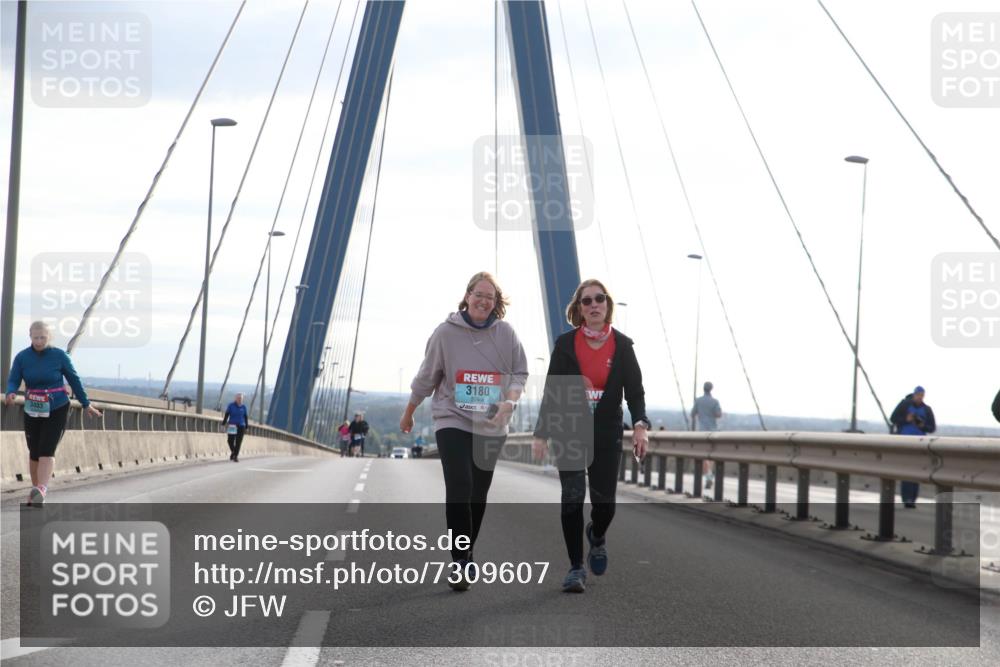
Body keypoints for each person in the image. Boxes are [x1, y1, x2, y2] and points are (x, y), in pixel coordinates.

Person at [400, 271, 527, 591]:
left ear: (497, 304)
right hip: (452, 418)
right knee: (460, 483)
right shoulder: (446, 333)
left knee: (477, 493)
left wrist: (510, 403)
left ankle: (466, 548)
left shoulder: (506, 334)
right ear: (467, 296)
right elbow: (427, 375)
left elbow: (519, 373)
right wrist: (410, 411)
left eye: (491, 297)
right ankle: (461, 561)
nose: (484, 300)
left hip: (492, 423)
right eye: (478, 294)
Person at [532, 279, 649, 593]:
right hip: (569, 431)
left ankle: (597, 535)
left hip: (606, 433)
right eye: (587, 301)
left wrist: (640, 425)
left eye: (599, 299)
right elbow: (552, 392)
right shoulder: (566, 345)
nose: (594, 305)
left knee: (605, 506)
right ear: (579, 309)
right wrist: (541, 433)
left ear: (607, 305)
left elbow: (635, 393)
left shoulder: (623, 346)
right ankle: (575, 568)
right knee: (571, 499)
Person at [5, 321, 103, 506]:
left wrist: (85, 404)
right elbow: (14, 379)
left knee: (46, 449)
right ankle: (36, 491)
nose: (39, 341)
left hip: (57, 407)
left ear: (49, 337)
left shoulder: (59, 356)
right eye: (36, 337)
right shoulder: (22, 357)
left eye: (43, 337)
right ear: (30, 336)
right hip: (33, 408)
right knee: (34, 451)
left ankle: (42, 488)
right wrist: (10, 392)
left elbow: (74, 380)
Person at [889, 386, 936, 508]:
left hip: (920, 444)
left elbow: (932, 428)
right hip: (904, 443)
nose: (919, 398)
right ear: (914, 395)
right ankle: (907, 498)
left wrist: (922, 425)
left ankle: (913, 498)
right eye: (918, 395)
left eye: (922, 395)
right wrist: (906, 419)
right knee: (907, 470)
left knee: (916, 471)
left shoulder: (926, 409)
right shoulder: (905, 405)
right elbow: (893, 418)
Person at [691, 381, 722, 489]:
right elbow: (718, 414)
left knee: (704, 455)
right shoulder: (715, 401)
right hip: (713, 431)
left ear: (703, 389)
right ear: (711, 389)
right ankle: (709, 473)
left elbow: (692, 414)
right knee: (711, 454)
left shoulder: (698, 401)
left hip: (702, 431)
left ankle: (708, 475)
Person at [222, 393, 249, 462]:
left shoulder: (244, 407)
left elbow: (245, 417)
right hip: (232, 425)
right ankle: (234, 452)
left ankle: (235, 456)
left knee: (238, 442)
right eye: (238, 398)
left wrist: (247, 427)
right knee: (230, 441)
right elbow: (227, 415)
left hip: (241, 426)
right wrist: (223, 424)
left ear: (242, 399)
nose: (240, 399)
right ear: (235, 398)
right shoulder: (231, 406)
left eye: (241, 398)